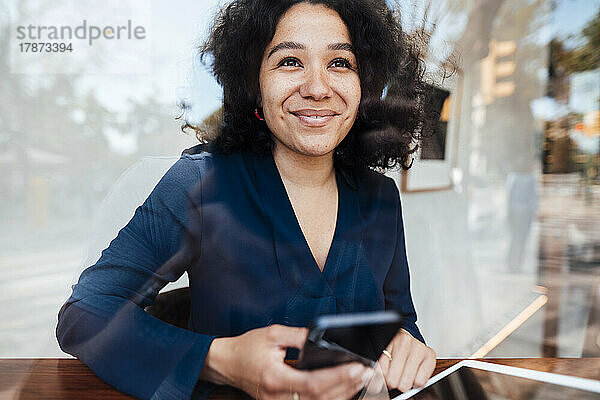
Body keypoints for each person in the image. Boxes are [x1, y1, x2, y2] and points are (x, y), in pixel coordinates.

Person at [56, 0, 437, 399]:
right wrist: (220, 359)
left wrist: (409, 345)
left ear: (366, 87)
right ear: (253, 84)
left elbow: (400, 325)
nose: (317, 88)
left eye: (340, 63)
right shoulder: (198, 185)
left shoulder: (382, 198)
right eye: (290, 61)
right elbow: (85, 313)